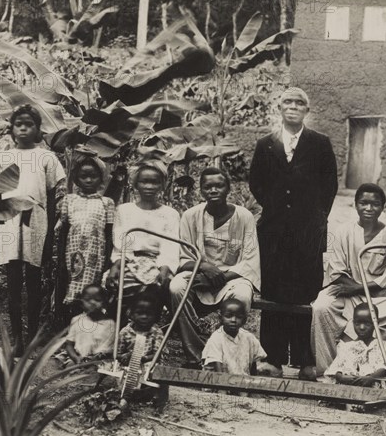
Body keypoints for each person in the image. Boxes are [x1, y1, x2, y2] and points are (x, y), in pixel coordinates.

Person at [249, 87, 338, 377]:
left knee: (304, 292)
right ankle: (271, 358)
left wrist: (314, 218)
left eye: (300, 103)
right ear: (279, 107)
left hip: (307, 233)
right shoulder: (266, 144)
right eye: (288, 101)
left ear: (307, 111)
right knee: (274, 292)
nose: (293, 106)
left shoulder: (320, 143)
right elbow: (256, 182)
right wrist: (276, 209)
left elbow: (330, 186)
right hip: (273, 232)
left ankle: (303, 360)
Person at [311, 183, 386, 376]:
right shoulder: (343, 231)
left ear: (383, 207)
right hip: (348, 293)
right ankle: (330, 373)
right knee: (322, 307)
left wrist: (358, 288)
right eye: (363, 203)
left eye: (375, 204)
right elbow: (337, 272)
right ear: (355, 205)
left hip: (379, 297)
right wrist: (359, 287)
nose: (369, 208)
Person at [169, 167, 260, 368]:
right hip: (199, 273)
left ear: (228, 188)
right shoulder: (190, 216)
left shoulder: (244, 217)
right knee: (176, 287)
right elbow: (183, 256)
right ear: (201, 191)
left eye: (219, 185)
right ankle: (197, 355)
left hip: (233, 277)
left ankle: (233, 358)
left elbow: (249, 261)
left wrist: (220, 276)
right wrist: (204, 267)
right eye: (207, 186)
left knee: (243, 295)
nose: (213, 190)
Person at [0, 105, 66, 354]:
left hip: (36, 224)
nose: (23, 128)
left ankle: (33, 336)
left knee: (34, 282)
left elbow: (49, 197)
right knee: (14, 283)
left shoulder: (46, 158)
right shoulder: (2, 157)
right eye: (18, 124)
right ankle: (16, 338)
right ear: (12, 129)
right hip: (9, 224)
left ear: (38, 129)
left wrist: (47, 238)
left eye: (29, 124)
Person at [104, 159, 179, 319]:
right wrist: (116, 266)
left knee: (157, 287)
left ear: (162, 185)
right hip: (129, 261)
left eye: (155, 182)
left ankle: (146, 330)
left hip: (156, 264)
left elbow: (170, 247)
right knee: (114, 284)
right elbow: (121, 244)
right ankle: (118, 329)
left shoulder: (170, 214)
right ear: (135, 184)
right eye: (144, 182)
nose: (149, 187)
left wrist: (164, 270)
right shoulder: (124, 210)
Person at [59, 154, 114, 319]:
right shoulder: (69, 200)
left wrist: (108, 260)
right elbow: (64, 230)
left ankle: (90, 326)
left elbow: (109, 232)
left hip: (95, 256)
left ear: (101, 178)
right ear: (76, 179)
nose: (89, 180)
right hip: (73, 254)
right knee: (73, 290)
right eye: (84, 176)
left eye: (93, 176)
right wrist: (61, 259)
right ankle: (71, 328)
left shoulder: (107, 202)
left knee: (91, 291)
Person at [325, 303, 386, 387]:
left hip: (373, 386)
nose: (362, 327)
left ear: (376, 323)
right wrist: (342, 377)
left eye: (367, 324)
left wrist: (371, 378)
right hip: (350, 386)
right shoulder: (346, 347)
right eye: (357, 323)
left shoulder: (381, 346)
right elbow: (336, 368)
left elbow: (383, 368)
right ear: (353, 322)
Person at [202, 298, 267, 375]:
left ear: (244, 319)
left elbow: (253, 364)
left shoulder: (249, 338)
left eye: (238, 317)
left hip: (242, 381)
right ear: (221, 317)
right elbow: (217, 368)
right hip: (218, 381)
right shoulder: (216, 338)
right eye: (228, 316)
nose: (233, 320)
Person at [55, 284, 115, 367]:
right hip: (78, 359)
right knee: (71, 367)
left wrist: (92, 360)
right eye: (87, 300)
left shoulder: (110, 324)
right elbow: (69, 344)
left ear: (104, 302)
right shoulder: (77, 320)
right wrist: (76, 358)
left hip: (99, 361)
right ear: (81, 302)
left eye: (97, 300)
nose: (92, 303)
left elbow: (107, 350)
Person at [117, 286, 165, 367]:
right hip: (128, 364)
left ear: (155, 315)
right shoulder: (125, 332)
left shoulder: (156, 332)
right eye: (140, 313)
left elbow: (157, 355)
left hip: (147, 362)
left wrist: (144, 358)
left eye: (149, 314)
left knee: (152, 366)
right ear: (131, 314)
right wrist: (123, 356)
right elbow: (117, 353)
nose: (144, 317)